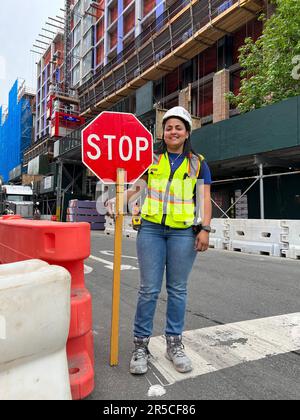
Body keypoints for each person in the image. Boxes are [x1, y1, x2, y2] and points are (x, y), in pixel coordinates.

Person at [106, 106, 212, 375]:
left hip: (182, 233)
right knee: (149, 290)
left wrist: (206, 229)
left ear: (187, 132)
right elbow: (138, 187)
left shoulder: (197, 163)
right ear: (163, 133)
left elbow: (204, 198)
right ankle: (140, 345)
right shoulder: (151, 159)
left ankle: (174, 343)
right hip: (151, 230)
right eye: (168, 127)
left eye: (178, 127)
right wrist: (118, 200)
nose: (173, 132)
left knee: (177, 289)